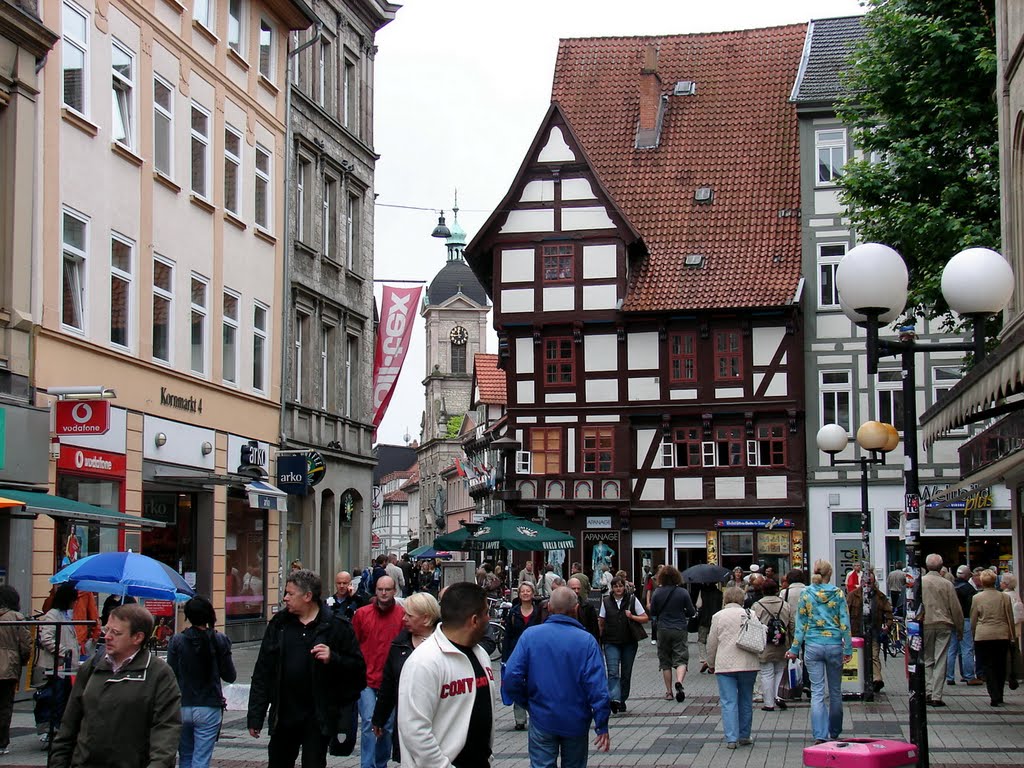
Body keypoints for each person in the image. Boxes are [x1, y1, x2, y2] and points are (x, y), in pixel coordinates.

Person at [247, 569, 367, 768]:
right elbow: (263, 671)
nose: (285, 598)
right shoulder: (280, 625)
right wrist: (255, 715)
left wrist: (334, 658)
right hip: (284, 716)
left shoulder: (336, 626)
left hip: (318, 718)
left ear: (307, 596)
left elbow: (357, 672)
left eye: (290, 594)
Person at [49, 604, 182, 768]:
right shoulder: (92, 667)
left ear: (137, 637)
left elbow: (166, 730)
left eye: (116, 633)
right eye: (107, 630)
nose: (108, 637)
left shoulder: (158, 673)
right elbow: (69, 725)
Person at [503, 587, 610, 768]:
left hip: (541, 716)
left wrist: (527, 702)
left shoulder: (530, 636)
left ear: (549, 607)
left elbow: (511, 676)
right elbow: (598, 687)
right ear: (576, 609)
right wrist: (602, 724)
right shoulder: (587, 641)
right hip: (576, 719)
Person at [397, 582, 495, 768]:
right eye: (486, 613)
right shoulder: (424, 661)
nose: (489, 618)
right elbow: (414, 730)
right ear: (474, 620)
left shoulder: (480, 654)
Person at [786, 559, 852, 744]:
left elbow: (800, 625)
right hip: (833, 644)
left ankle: (820, 735)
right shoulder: (838, 593)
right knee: (835, 691)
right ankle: (835, 730)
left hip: (813, 645)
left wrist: (794, 649)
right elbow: (845, 623)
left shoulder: (806, 593)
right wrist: (848, 648)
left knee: (817, 691)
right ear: (829, 574)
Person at [167, 596, 237, 768]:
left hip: (182, 705)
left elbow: (171, 674)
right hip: (209, 705)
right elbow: (230, 676)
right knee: (201, 759)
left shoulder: (177, 640)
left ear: (188, 616)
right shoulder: (219, 640)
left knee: (185, 756)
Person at [372, 592, 441, 761]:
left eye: (409, 615)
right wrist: (379, 718)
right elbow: (388, 684)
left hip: (439, 720)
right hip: (408, 720)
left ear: (426, 618)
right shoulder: (399, 644)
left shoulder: (445, 643)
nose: (403, 619)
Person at [352, 575, 405, 768]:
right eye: (380, 589)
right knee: (368, 722)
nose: (383, 593)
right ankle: (367, 765)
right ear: (375, 590)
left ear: (394, 591)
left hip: (390, 681)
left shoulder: (402, 616)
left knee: (387, 726)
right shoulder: (362, 614)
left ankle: (380, 763)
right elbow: (354, 644)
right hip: (366, 678)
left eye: (387, 590)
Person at [707, 586, 763, 748]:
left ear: (725, 599)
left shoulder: (718, 616)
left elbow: (712, 643)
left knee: (728, 701)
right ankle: (744, 735)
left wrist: (711, 663)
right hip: (748, 663)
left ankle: (731, 738)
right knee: (746, 699)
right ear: (742, 599)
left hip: (725, 664)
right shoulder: (750, 614)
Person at [35, 583, 80, 743]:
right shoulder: (53, 615)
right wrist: (64, 652)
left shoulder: (65, 615)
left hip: (67, 667)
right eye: (74, 600)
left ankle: (59, 730)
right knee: (57, 700)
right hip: (57, 666)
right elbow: (47, 638)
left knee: (63, 699)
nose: (75, 603)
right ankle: (53, 731)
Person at [599, 576, 648, 714]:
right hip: (611, 641)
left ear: (624, 587)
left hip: (629, 641)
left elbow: (645, 618)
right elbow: (601, 621)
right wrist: (599, 637)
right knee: (613, 671)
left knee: (626, 673)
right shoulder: (606, 601)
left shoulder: (632, 599)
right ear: (612, 588)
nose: (618, 589)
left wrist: (632, 616)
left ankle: (622, 699)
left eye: (620, 586)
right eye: (615, 586)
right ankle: (614, 699)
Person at [649, 565, 696, 702]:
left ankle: (669, 692)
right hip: (679, 628)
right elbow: (691, 612)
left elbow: (653, 612)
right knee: (681, 657)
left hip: (663, 629)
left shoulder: (657, 592)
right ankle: (679, 682)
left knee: (665, 661)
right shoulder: (682, 592)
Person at [921, 553, 963, 707]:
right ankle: (937, 695)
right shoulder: (947, 584)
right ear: (941, 567)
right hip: (944, 624)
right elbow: (956, 608)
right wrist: (959, 628)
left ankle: (927, 690)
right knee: (941, 659)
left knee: (927, 659)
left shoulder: (921, 582)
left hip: (925, 623)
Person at [502, 582, 545, 729]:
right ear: (519, 594)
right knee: (518, 683)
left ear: (533, 594)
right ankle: (520, 719)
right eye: (523, 591)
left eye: (528, 591)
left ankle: (536, 715)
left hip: (535, 653)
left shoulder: (538, 613)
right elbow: (507, 636)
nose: (526, 594)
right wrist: (505, 658)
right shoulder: (514, 613)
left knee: (535, 684)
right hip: (517, 652)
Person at [971, 568, 1017, 706]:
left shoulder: (977, 598)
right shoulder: (1004, 597)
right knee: (1001, 665)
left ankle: (993, 695)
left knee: (988, 666)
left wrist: (973, 633)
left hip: (983, 635)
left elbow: (974, 618)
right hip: (1001, 634)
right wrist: (1012, 636)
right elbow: (1010, 617)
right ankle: (1000, 693)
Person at [845, 569, 893, 694]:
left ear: (874, 582)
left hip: (874, 632)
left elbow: (889, 614)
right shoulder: (852, 595)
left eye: (869, 582)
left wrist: (887, 626)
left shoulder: (880, 597)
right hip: (855, 634)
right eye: (864, 582)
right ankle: (858, 680)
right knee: (857, 658)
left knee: (874, 656)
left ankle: (877, 680)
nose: (866, 585)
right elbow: (845, 614)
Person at [753, 579, 795, 710]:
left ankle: (768, 703)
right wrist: (793, 643)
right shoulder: (785, 605)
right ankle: (778, 696)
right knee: (779, 671)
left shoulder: (757, 605)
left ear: (763, 590)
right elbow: (792, 625)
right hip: (782, 644)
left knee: (766, 673)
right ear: (777, 590)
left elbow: (753, 625)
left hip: (764, 644)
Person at [0, 585, 30, 755]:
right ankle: (2, 742)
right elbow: (25, 645)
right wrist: (22, 661)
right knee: (4, 706)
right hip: (8, 667)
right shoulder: (16, 618)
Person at [948, 565, 982, 686]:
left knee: (951, 649)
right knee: (967, 649)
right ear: (967, 576)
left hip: (951, 620)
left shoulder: (950, 587)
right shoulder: (968, 589)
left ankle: (949, 677)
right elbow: (972, 607)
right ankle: (969, 676)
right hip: (965, 620)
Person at [1000, 573, 1024, 688]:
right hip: (1017, 627)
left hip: (1007, 627)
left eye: (1001, 581)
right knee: (1016, 651)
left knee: (1007, 652)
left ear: (1005, 584)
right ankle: (1019, 674)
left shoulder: (1004, 596)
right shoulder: (1016, 595)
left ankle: (1007, 675)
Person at [693, 583, 723, 674]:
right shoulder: (719, 593)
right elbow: (722, 606)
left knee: (702, 640)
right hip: (715, 619)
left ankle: (703, 658)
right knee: (713, 641)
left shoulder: (702, 592)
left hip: (704, 619)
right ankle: (712, 660)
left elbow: (698, 605)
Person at [567, 577, 601, 641]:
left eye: (578, 588)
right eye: (573, 588)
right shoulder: (562, 606)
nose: (576, 591)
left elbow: (594, 629)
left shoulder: (588, 607)